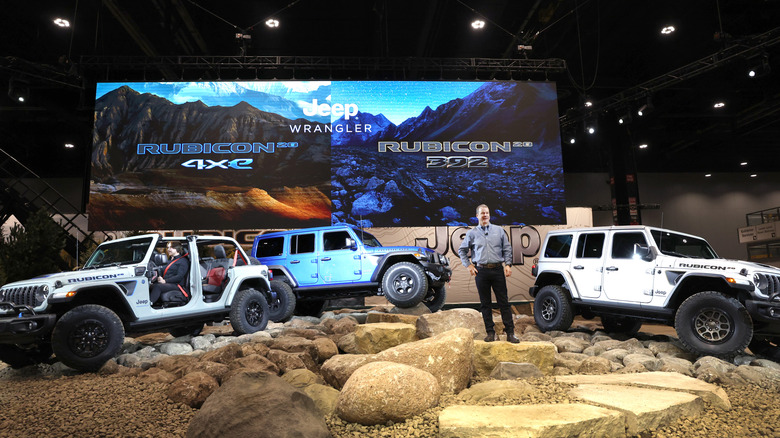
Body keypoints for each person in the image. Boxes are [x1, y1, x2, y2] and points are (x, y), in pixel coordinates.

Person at [458, 204, 519, 343]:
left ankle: (510, 333)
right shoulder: (471, 233)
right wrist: (468, 265)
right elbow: (462, 250)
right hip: (481, 271)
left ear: (489, 215)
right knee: (485, 304)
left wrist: (508, 265)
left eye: (487, 213)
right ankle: (490, 333)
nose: (485, 215)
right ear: (477, 216)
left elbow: (507, 249)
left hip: (497, 270)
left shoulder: (499, 231)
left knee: (504, 303)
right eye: (482, 213)